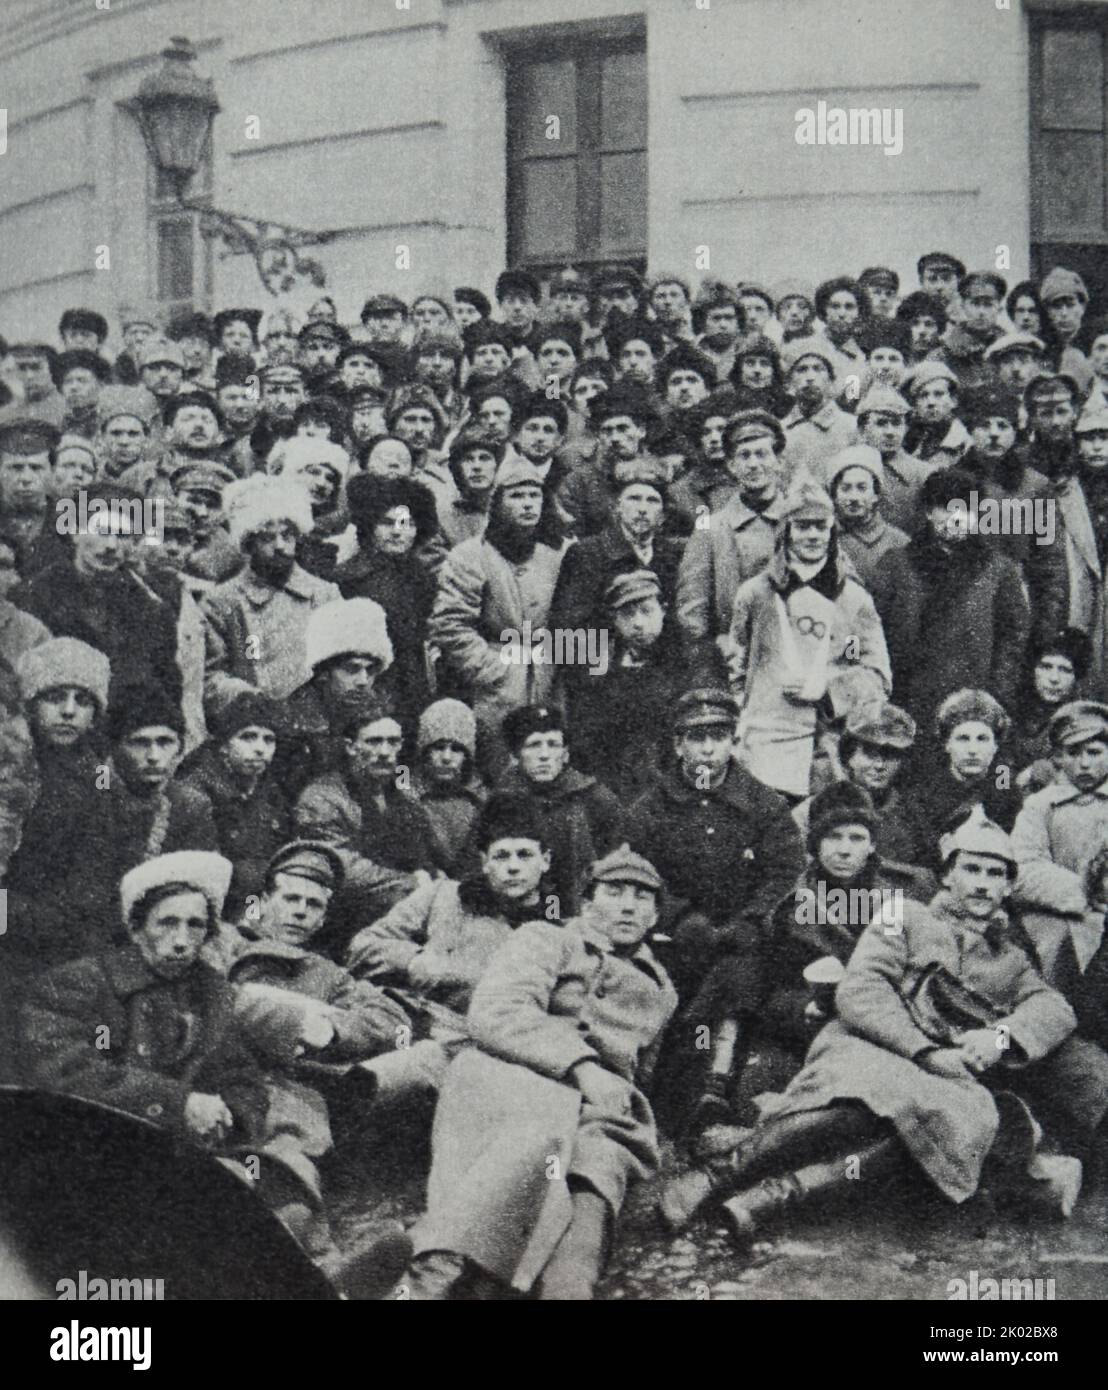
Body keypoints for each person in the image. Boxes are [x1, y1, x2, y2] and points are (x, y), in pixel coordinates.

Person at [659, 812, 1107, 1243]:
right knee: (866, 1099)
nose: (982, 883)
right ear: (948, 875)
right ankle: (718, 1174)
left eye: (996, 874)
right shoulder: (904, 915)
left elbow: (1054, 1008)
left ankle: (771, 1200)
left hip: (948, 1081)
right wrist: (926, 1053)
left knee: (944, 1121)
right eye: (972, 869)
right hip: (872, 1046)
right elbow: (862, 990)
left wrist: (999, 1037)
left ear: (1009, 886)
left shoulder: (1008, 957)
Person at [394, 843, 677, 1301]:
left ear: (654, 916)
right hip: (510, 1079)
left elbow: (643, 1069)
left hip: (598, 1111)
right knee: (530, 1149)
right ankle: (432, 1278)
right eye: (615, 891)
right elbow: (497, 1011)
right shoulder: (545, 939)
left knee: (596, 1175)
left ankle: (566, 1288)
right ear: (586, 903)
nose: (628, 904)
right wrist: (584, 1068)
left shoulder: (660, 987)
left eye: (642, 897)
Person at [624, 687, 805, 1135]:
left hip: (741, 941)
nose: (708, 749)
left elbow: (785, 870)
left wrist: (754, 917)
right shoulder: (650, 809)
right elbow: (633, 869)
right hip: (671, 940)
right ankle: (645, 1087)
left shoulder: (765, 804)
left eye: (719, 737)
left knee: (736, 983)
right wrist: (677, 916)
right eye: (697, 738)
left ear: (733, 741)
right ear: (678, 744)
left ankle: (714, 1084)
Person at [345, 793, 557, 1104]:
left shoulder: (555, 934)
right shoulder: (443, 897)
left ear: (546, 861)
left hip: (480, 1051)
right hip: (405, 1023)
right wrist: (414, 959)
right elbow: (362, 947)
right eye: (501, 856)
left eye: (524, 855)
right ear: (484, 862)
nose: (513, 868)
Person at [728, 478, 891, 801]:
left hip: (826, 747)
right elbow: (736, 666)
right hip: (764, 748)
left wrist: (828, 691)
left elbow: (878, 677)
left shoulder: (854, 598)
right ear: (786, 531)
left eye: (821, 527)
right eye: (803, 527)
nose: (813, 536)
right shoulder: (755, 594)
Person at [429, 456, 565, 773]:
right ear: (498, 503)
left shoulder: (562, 552)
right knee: (501, 772)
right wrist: (494, 671)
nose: (528, 504)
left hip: (551, 679)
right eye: (516, 496)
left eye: (534, 495)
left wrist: (564, 663)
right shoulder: (469, 555)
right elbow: (450, 625)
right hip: (497, 685)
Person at [873, 466, 1031, 727]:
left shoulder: (999, 570)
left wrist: (997, 692)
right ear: (928, 512)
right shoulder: (896, 565)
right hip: (908, 698)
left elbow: (1015, 636)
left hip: (974, 703)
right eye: (947, 508)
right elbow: (861, 631)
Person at [201, 475, 340, 713]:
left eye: (287, 535)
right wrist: (248, 697)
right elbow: (209, 675)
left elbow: (341, 664)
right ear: (249, 543)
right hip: (251, 723)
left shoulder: (324, 595)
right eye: (267, 537)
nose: (279, 545)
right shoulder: (222, 601)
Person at [483, 704, 623, 920]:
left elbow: (617, 864)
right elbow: (475, 863)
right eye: (534, 745)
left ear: (565, 754)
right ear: (516, 755)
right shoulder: (500, 800)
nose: (544, 755)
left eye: (553, 745)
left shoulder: (595, 799)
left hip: (579, 915)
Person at [675, 411, 787, 676]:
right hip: (734, 660)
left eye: (762, 454)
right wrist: (713, 652)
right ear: (731, 466)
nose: (753, 464)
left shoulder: (802, 521)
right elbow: (693, 607)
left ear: (779, 461)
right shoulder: (711, 528)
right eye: (744, 456)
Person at [563, 569, 687, 802]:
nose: (638, 623)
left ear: (664, 610)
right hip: (611, 787)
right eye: (628, 614)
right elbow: (586, 739)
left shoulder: (684, 663)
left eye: (646, 611)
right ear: (614, 620)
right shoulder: (598, 670)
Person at [1011, 700, 1108, 991]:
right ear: (1057, 758)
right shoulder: (1040, 806)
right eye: (1073, 753)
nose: (1085, 763)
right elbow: (1022, 869)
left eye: (1095, 752)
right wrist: (1087, 892)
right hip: (1057, 913)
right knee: (1053, 950)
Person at [179, 690, 292, 918]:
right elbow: (207, 870)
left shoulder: (269, 790)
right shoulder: (196, 792)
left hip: (255, 901)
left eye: (268, 739)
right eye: (247, 737)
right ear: (223, 746)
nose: (260, 748)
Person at [336, 475, 437, 714]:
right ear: (370, 526)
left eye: (407, 524)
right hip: (372, 688)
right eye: (387, 523)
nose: (396, 533)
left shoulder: (424, 579)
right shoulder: (348, 579)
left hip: (416, 684)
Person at [792, 700, 930, 867]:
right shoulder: (811, 811)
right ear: (849, 756)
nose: (879, 766)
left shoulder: (913, 816)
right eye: (869, 753)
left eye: (890, 755)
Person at [411, 698, 488, 875]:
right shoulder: (407, 799)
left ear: (467, 756)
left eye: (456, 749)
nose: (446, 757)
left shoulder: (482, 802)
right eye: (438, 748)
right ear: (425, 752)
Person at [824, 442, 909, 590]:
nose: (854, 497)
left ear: (876, 494)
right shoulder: (823, 538)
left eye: (862, 488)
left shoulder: (899, 542)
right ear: (834, 495)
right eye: (846, 488)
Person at [779, 337, 856, 480]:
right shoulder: (780, 430)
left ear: (831, 380)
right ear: (789, 383)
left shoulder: (852, 427)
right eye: (801, 370)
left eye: (818, 369)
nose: (810, 377)